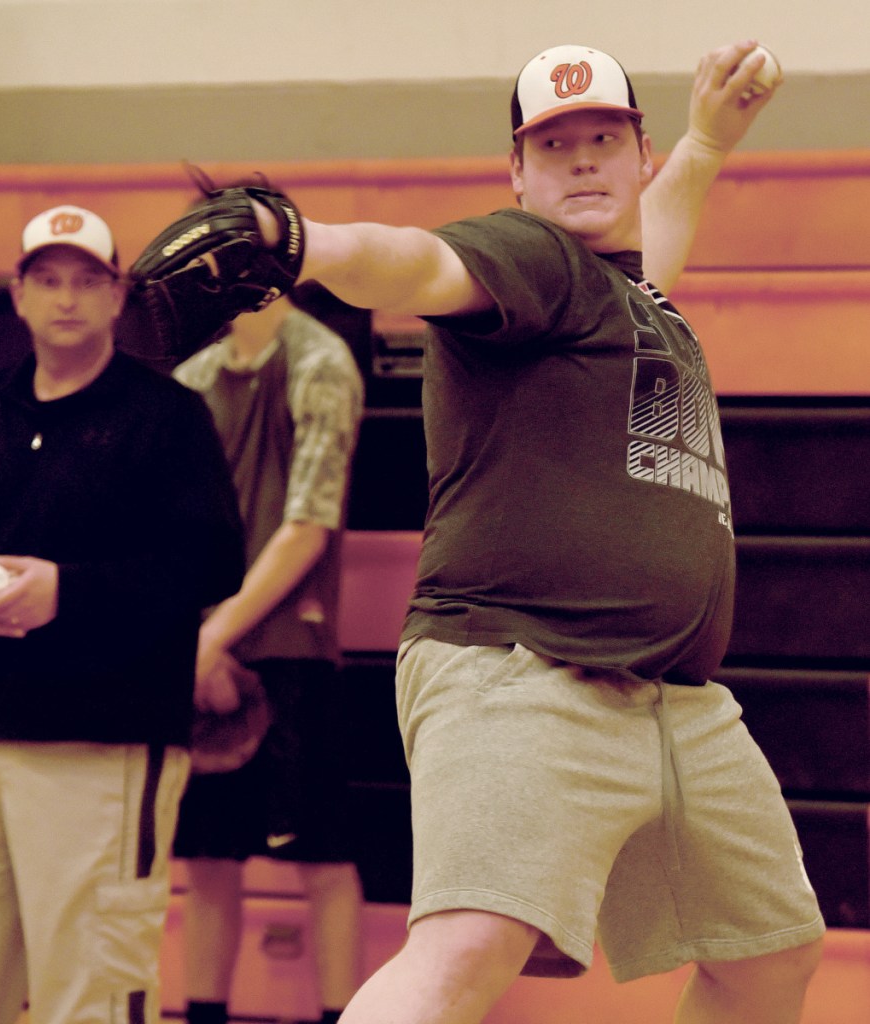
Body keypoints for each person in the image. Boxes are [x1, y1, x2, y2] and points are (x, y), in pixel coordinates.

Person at [242, 40, 826, 1024]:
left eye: (605, 138)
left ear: (638, 157)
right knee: (470, 945)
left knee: (769, 955)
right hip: (520, 665)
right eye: (556, 146)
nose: (585, 160)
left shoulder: (629, 295)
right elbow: (416, 260)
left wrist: (707, 146)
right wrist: (307, 245)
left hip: (674, 699)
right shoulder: (531, 263)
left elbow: (654, 237)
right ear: (518, 176)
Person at [0, 205, 245, 1024]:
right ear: (18, 295)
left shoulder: (166, 417)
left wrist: (67, 591)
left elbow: (211, 564)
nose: (65, 298)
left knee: (90, 994)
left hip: (106, 737)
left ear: (117, 297)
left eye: (86, 281)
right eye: (47, 280)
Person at [170, 281, 366, 1024]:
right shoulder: (192, 381)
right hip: (198, 654)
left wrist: (210, 637)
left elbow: (307, 526)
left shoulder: (319, 360)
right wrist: (194, 641)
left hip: (291, 651)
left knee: (321, 858)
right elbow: (173, 533)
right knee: (208, 862)